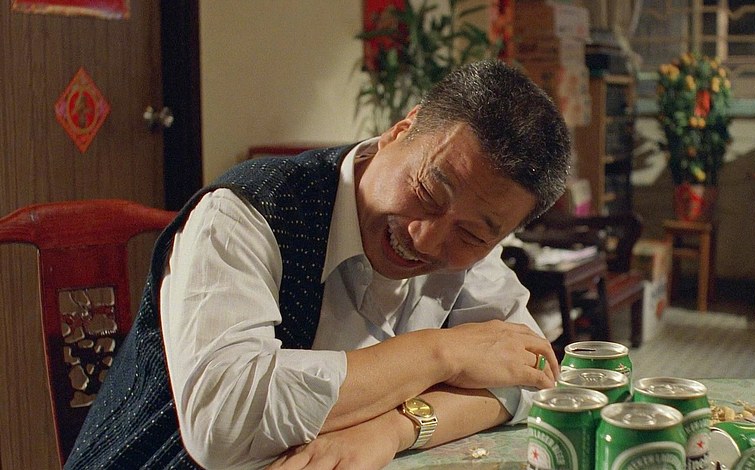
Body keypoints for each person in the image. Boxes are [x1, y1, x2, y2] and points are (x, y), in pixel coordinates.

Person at [64, 59, 572, 469]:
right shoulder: (246, 213)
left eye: (474, 234)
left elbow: (531, 373)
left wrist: (396, 428)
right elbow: (224, 422)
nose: (426, 237)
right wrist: (441, 354)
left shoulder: (462, 244)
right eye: (427, 191)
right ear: (400, 132)